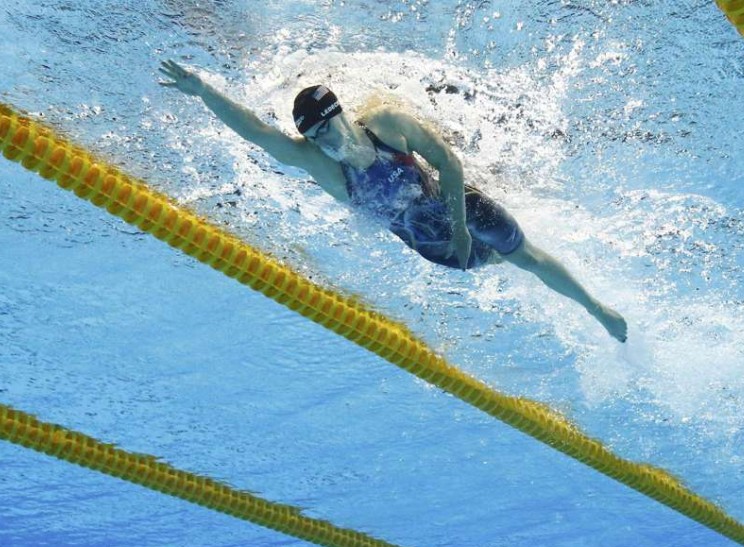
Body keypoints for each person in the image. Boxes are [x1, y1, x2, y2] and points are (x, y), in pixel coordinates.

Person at [158, 59, 627, 342]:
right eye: (313, 137)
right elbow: (258, 134)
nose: (323, 143)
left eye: (325, 129)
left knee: (525, 255)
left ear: (339, 114)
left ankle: (597, 310)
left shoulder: (386, 125)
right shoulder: (321, 166)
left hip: (457, 208)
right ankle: (542, 254)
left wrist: (462, 228)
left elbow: (448, 164)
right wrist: (203, 92)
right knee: (496, 264)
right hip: (431, 246)